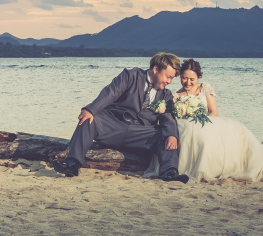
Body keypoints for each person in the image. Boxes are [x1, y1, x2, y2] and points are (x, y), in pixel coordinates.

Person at [143, 59, 263, 183]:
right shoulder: (175, 96)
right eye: (184, 78)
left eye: (192, 79)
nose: (187, 82)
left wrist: (203, 122)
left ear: (198, 77)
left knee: (238, 129)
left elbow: (213, 112)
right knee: (190, 132)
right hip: (188, 124)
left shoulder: (205, 88)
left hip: (208, 122)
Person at [52, 52, 190, 183]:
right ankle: (72, 164)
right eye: (168, 77)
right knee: (88, 119)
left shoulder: (166, 95)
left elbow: (168, 116)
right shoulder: (130, 76)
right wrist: (90, 110)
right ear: (155, 69)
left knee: (166, 135)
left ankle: (169, 173)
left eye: (172, 78)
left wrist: (171, 135)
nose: (169, 81)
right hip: (113, 126)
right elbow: (110, 93)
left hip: (140, 134)